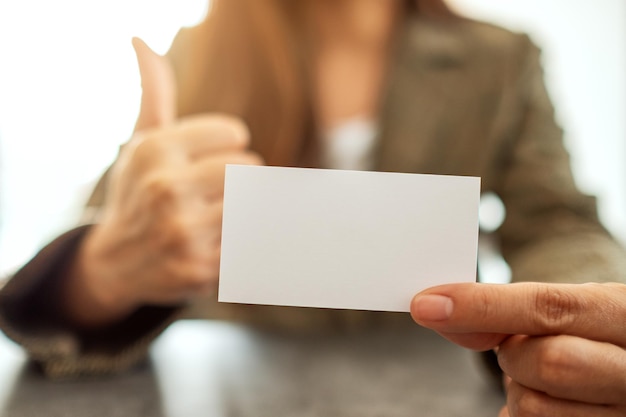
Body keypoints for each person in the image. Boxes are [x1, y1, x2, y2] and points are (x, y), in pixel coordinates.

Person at [0, 0, 625, 415]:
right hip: (233, 392)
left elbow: (557, 219)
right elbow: (121, 220)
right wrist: (103, 271)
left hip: (432, 389)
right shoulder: (204, 48)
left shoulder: (502, 60)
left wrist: (573, 318)